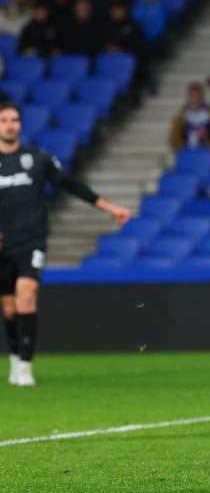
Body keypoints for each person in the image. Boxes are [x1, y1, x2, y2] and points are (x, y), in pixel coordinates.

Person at [0, 102, 131, 386]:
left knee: (26, 297)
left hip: (31, 240)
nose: (9, 125)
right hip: (2, 245)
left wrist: (110, 208)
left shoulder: (37, 158)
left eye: (14, 120)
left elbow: (71, 184)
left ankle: (25, 368)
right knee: (9, 307)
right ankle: (15, 357)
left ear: (20, 124)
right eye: (4, 120)